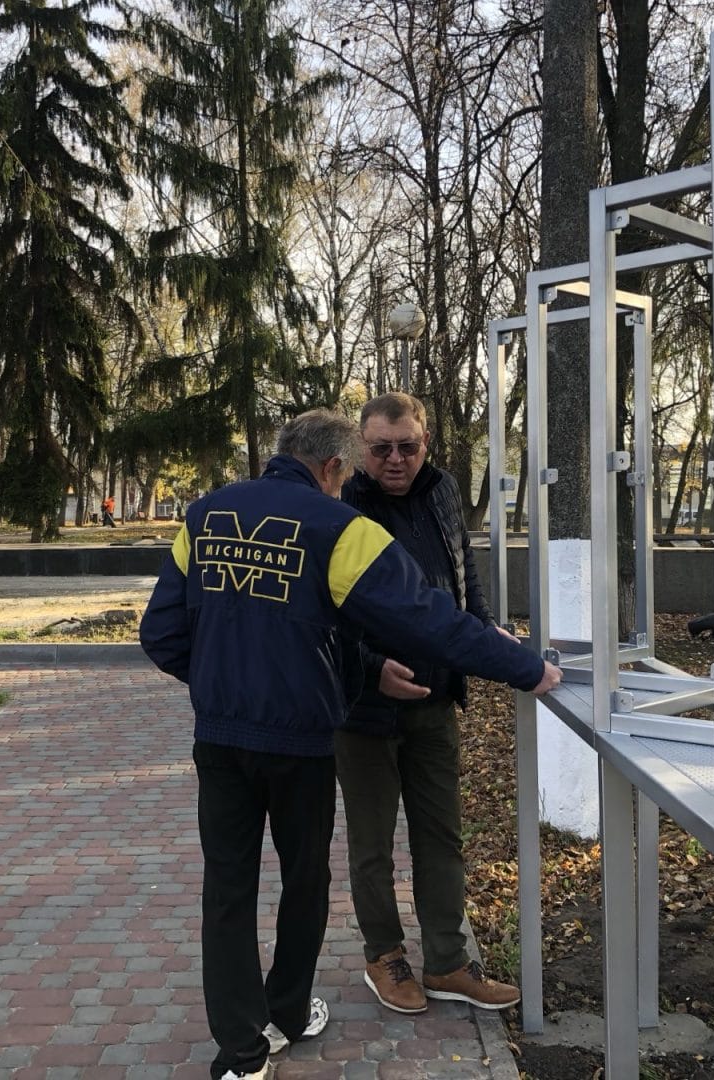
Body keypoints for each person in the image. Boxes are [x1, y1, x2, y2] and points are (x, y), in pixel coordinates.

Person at [140, 409, 561, 1080]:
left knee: (227, 889)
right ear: (335, 467)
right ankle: (285, 1012)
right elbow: (429, 620)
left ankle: (241, 1057)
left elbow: (161, 636)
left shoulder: (205, 515)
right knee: (305, 881)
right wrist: (527, 668)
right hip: (302, 743)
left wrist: (227, 679)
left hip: (219, 741)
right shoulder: (337, 529)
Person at [337, 392, 521, 1015]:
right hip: (364, 710)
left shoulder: (441, 492)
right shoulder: (339, 506)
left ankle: (447, 961)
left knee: (441, 837)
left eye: (408, 446)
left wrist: (485, 628)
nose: (395, 459)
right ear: (361, 448)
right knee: (372, 843)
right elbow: (320, 612)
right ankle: (384, 956)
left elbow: (463, 570)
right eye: (382, 448)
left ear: (426, 443)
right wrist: (368, 669)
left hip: (435, 701)